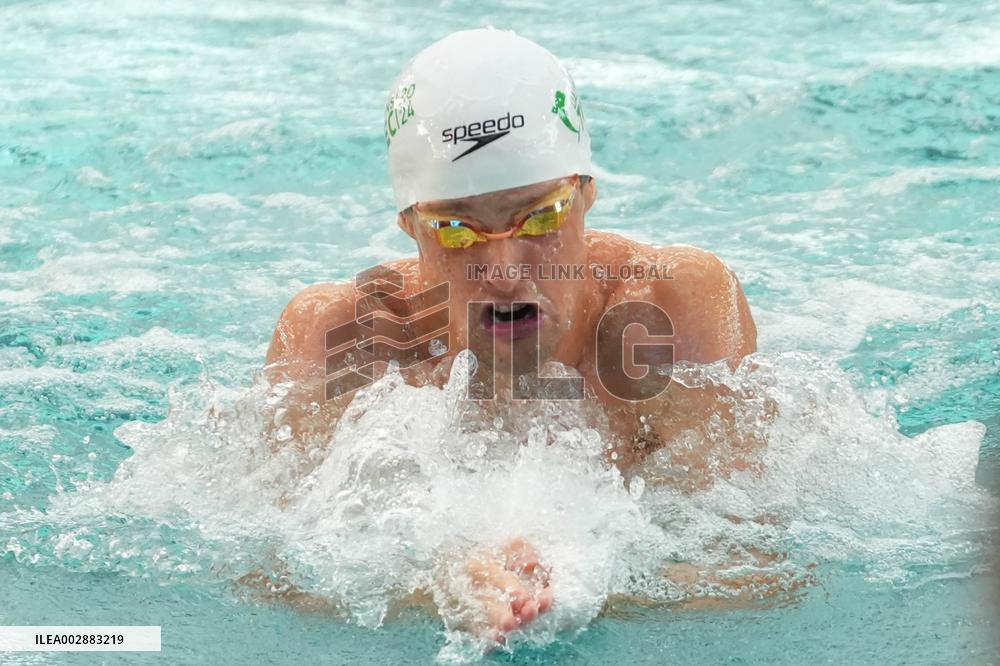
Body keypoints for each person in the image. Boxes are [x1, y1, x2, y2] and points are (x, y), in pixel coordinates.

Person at [263, 28, 761, 643]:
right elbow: (270, 572)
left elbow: (756, 566)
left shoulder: (671, 306)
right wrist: (440, 587)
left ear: (587, 195)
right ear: (409, 227)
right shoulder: (343, 336)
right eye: (456, 229)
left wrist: (580, 579)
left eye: (543, 214)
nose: (504, 272)